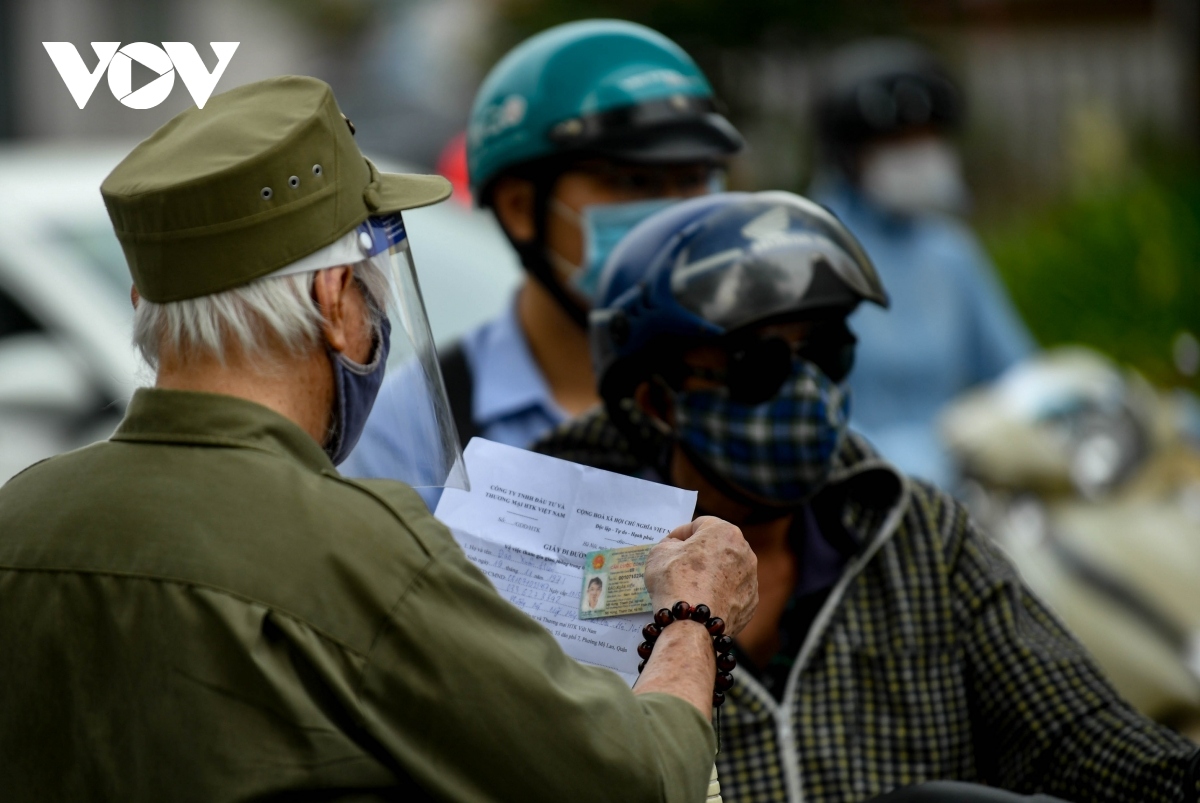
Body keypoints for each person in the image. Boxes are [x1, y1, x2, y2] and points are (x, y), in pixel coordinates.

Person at [0, 76, 761, 802]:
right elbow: (640, 781)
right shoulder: (355, 546)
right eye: (370, 291)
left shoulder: (22, 514)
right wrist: (693, 618)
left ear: (146, 302)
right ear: (334, 299)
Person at [533, 192, 1200, 803]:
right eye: (759, 365)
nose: (808, 390)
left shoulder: (915, 534)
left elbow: (1082, 736)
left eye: (828, 353)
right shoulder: (555, 561)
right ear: (657, 400)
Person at [341, 19, 742, 491]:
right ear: (520, 207)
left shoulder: (760, 392)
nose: (678, 217)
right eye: (634, 182)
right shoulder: (414, 429)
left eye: (696, 178)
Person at [810, 39, 1034, 488]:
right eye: (897, 142)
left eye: (929, 139)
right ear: (848, 156)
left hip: (959, 491)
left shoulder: (950, 251)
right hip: (850, 495)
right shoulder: (809, 249)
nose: (919, 155)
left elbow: (1017, 376)